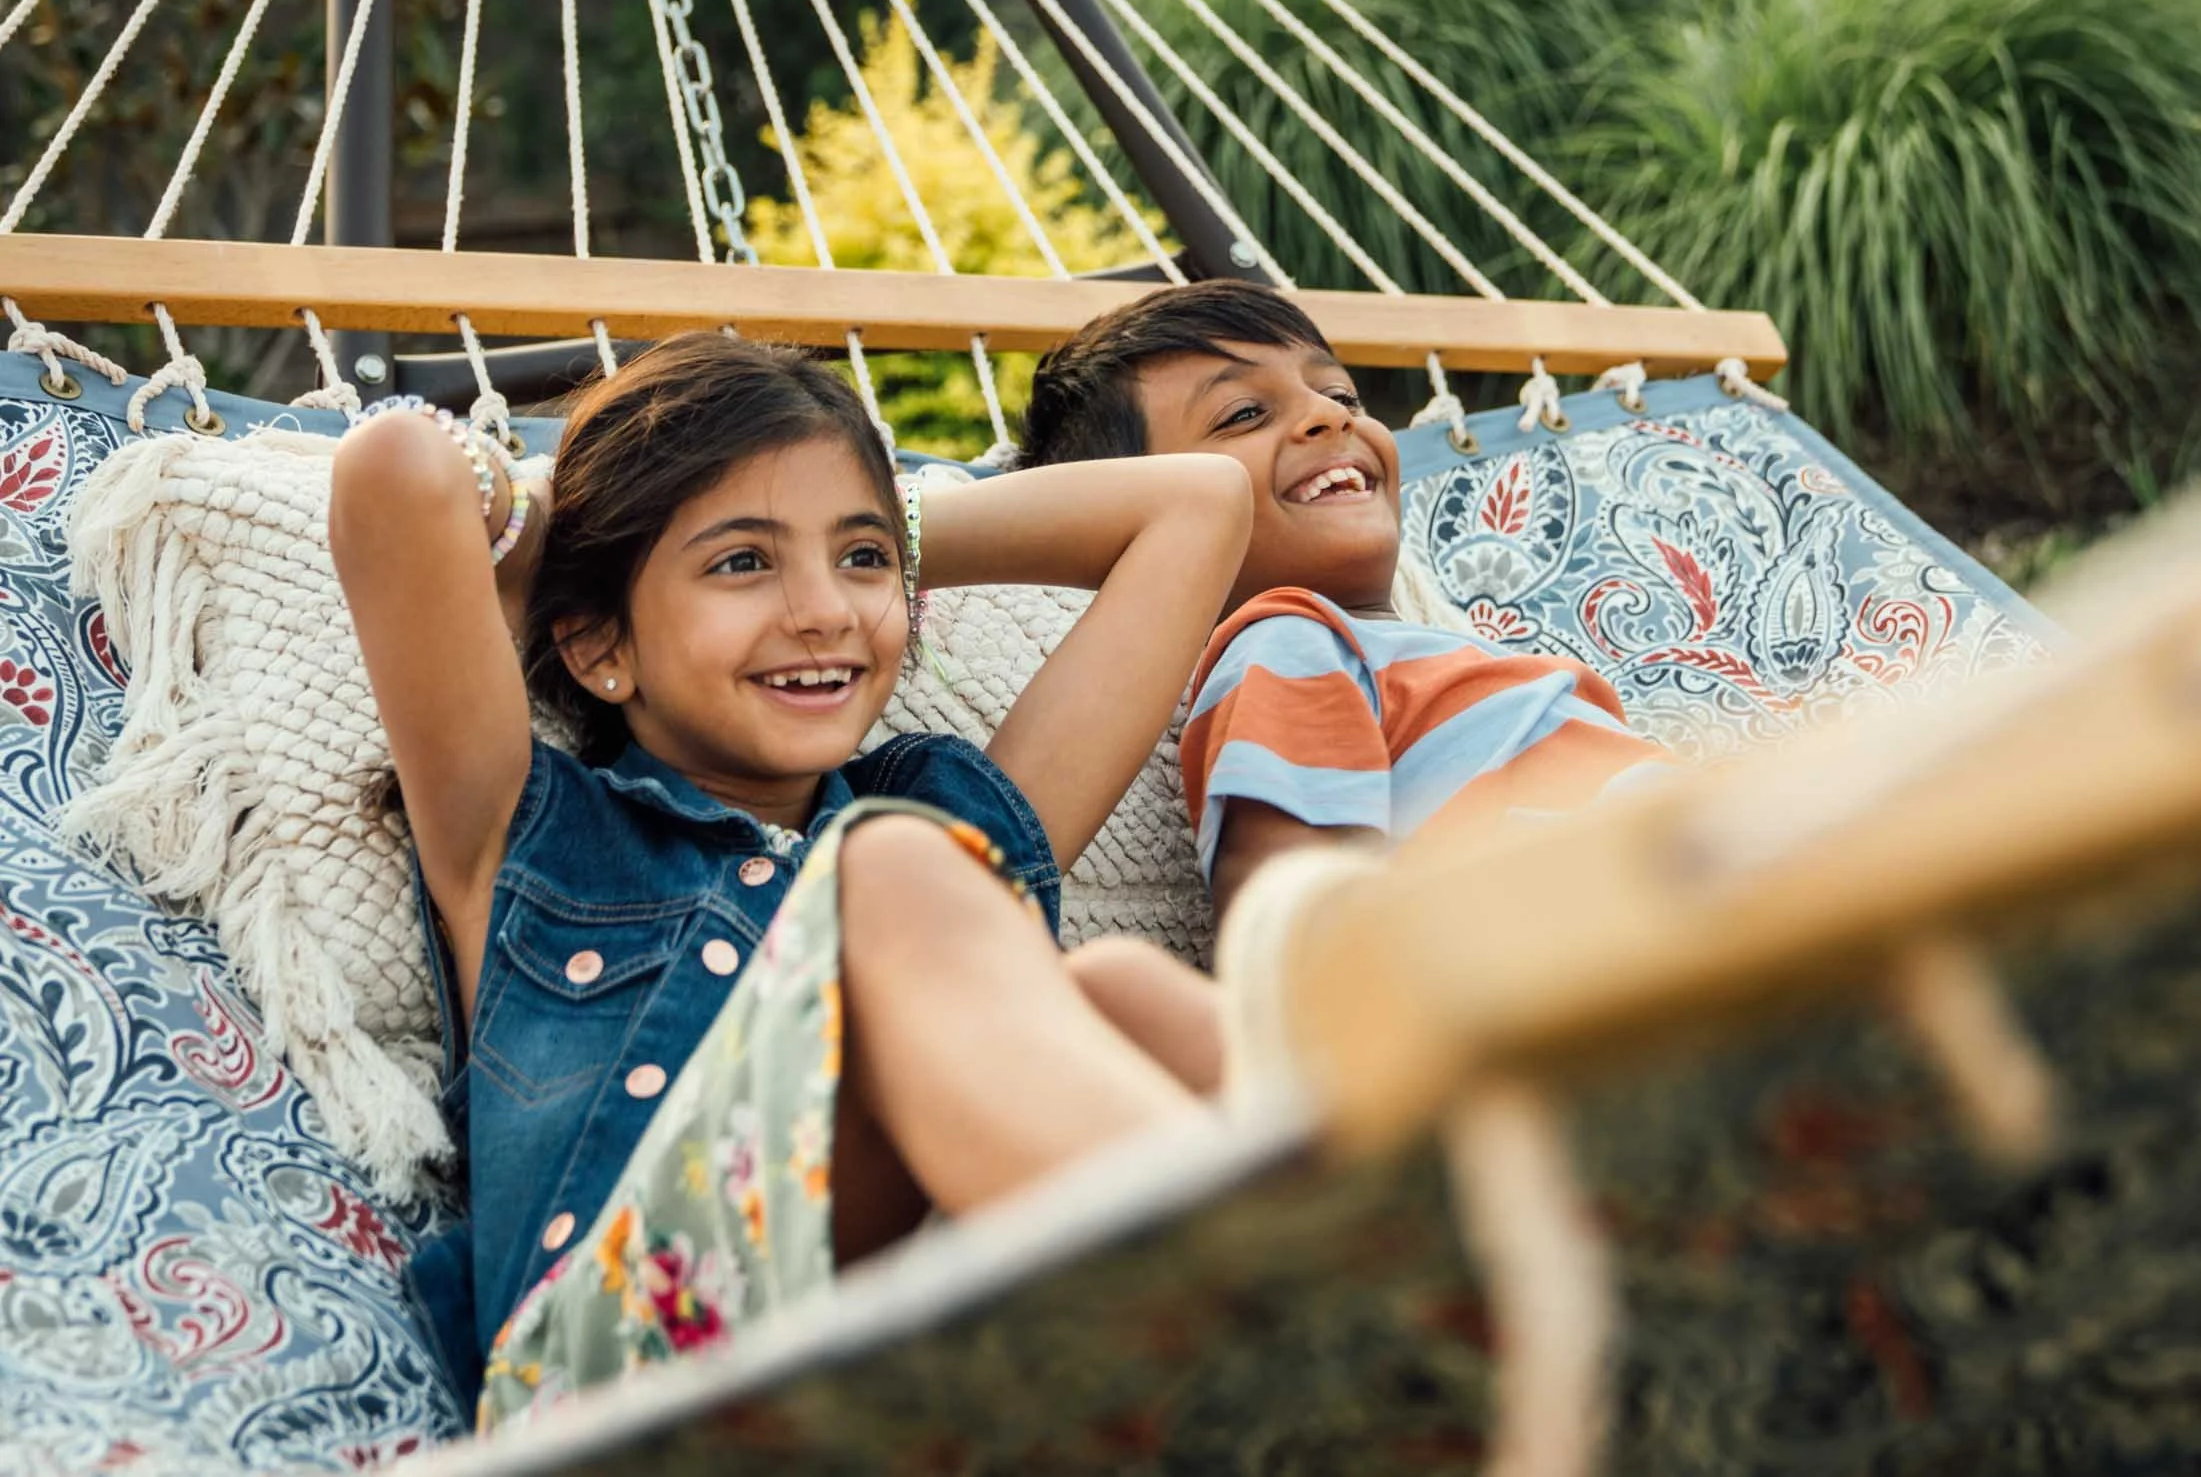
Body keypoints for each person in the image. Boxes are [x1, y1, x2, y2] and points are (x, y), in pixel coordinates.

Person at [329, 333, 1246, 1425]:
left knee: (1119, 993)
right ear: (594, 643)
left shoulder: (956, 816)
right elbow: (396, 472)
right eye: (741, 562)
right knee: (898, 862)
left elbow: (1201, 505)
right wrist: (558, 524)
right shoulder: (530, 839)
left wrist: (856, 505)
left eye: (861, 561)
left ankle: (1399, 1249)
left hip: (939, 1365)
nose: (824, 611)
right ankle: (1287, 1318)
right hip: (624, 1401)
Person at [1017, 281, 1671, 923]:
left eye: (1340, 393)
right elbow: (1295, 918)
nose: (1332, 416)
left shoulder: (1437, 649)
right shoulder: (1283, 639)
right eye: (1244, 413)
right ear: (1145, 520)